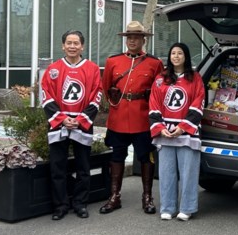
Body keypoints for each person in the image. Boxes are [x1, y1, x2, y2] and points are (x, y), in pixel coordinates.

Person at [98, 20, 164, 215]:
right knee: (117, 156)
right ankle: (114, 196)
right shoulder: (113, 61)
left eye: (136, 37)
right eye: (129, 37)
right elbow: (106, 87)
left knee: (146, 157)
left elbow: (158, 91)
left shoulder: (154, 63)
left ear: (144, 40)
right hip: (119, 117)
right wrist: (117, 101)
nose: (132, 40)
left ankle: (147, 197)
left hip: (142, 117)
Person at [39, 30, 104, 220]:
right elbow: (46, 96)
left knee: (83, 167)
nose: (72, 46)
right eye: (69, 43)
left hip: (81, 124)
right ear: (63, 45)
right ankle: (60, 206)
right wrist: (61, 119)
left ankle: (80, 203)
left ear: (82, 46)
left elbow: (96, 95)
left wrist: (81, 119)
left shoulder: (92, 69)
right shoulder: (54, 69)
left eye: (76, 43)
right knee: (57, 168)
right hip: (59, 124)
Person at [149, 42, 205, 221]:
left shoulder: (195, 78)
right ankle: (168, 207)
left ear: (186, 56)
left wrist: (183, 127)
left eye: (180, 53)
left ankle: (187, 208)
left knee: (189, 172)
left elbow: (198, 103)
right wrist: (161, 128)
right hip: (165, 132)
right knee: (166, 172)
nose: (176, 56)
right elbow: (154, 104)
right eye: (173, 53)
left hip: (187, 133)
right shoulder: (160, 79)